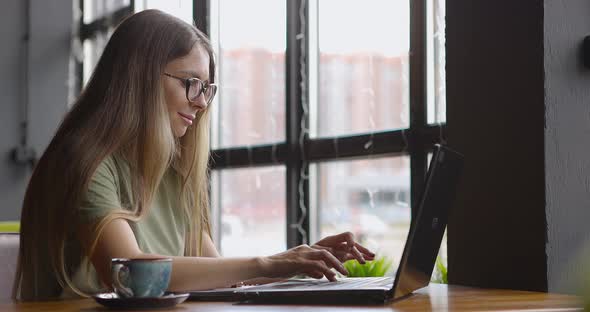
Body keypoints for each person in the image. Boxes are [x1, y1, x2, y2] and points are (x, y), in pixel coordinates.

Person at [12, 9, 375, 301]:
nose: (201, 103)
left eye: (207, 89)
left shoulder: (173, 170)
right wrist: (269, 262)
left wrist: (296, 262)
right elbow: (129, 273)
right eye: (191, 84)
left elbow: (214, 274)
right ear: (140, 77)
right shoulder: (83, 159)